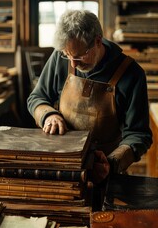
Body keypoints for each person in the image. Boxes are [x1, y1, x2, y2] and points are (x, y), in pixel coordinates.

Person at [27, 10, 152, 183]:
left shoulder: (132, 74)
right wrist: (49, 115)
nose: (73, 64)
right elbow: (37, 98)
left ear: (98, 41)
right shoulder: (59, 57)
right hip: (63, 164)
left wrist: (112, 162)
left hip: (106, 169)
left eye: (79, 56)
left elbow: (139, 135)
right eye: (67, 55)